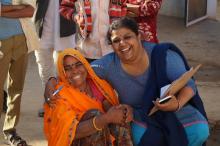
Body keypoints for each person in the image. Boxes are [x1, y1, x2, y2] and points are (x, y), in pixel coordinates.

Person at [45, 17, 209, 146]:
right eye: (116, 41)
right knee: (136, 136)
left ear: (139, 36)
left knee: (199, 131)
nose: (122, 44)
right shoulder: (108, 64)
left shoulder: (161, 55)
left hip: (174, 108)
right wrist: (51, 81)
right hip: (140, 113)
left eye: (127, 37)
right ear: (112, 46)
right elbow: (78, 72)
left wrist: (177, 104)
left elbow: (189, 84)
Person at [44, 48, 133, 146]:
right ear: (62, 72)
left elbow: (111, 109)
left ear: (85, 65)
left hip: (103, 138)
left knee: (120, 118)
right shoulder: (58, 95)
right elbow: (70, 132)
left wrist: (123, 111)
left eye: (78, 65)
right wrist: (106, 118)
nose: (74, 71)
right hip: (74, 142)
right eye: (68, 68)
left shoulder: (97, 84)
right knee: (94, 114)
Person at [0, 0, 39, 145]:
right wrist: (17, 7)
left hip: (21, 39)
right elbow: (23, 9)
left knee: (16, 89)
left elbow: (29, 11)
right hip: (0, 43)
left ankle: (10, 130)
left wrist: (3, 10)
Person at [34, 0, 76, 117]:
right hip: (41, 26)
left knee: (64, 68)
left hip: (65, 26)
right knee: (44, 66)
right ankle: (49, 100)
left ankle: (64, 101)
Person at [59, 0, 127, 62]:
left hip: (113, 50)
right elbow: (64, 7)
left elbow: (123, 7)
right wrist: (76, 17)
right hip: (88, 50)